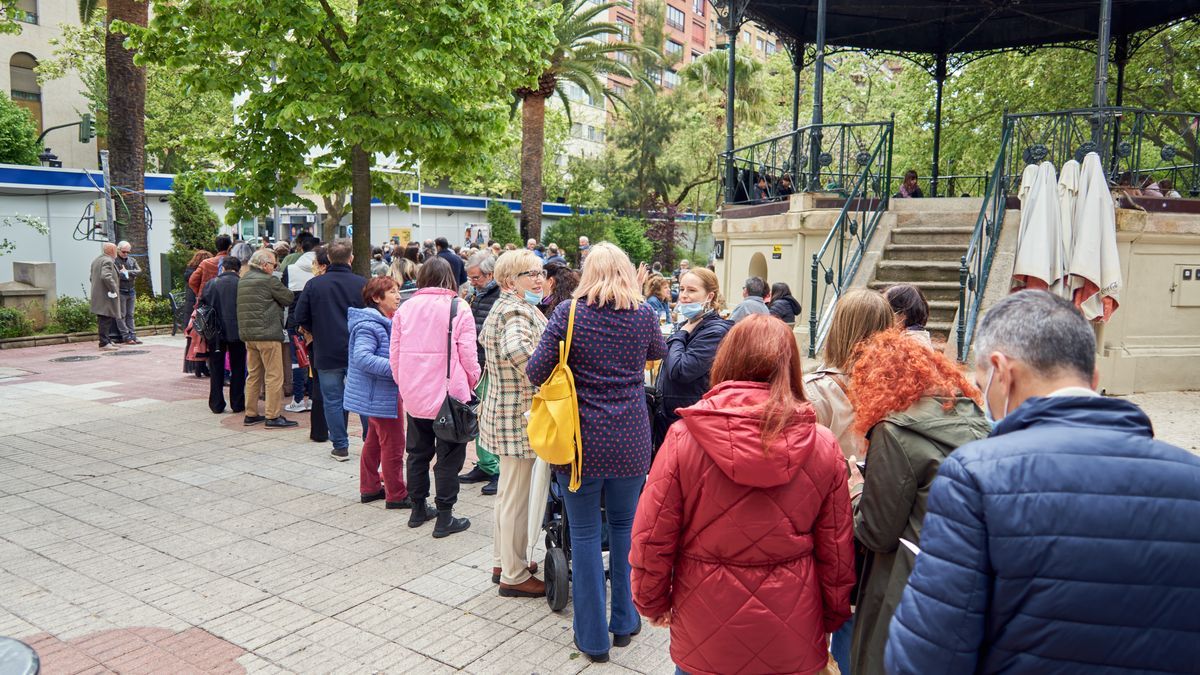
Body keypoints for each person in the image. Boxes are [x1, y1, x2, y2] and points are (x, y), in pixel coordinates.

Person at [887, 290, 1200, 674]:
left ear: (1001, 372)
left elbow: (928, 656)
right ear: (1094, 378)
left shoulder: (975, 477)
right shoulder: (1191, 478)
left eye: (983, 381)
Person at [632, 314, 854, 675]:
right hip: (791, 632)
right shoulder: (823, 446)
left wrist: (652, 601)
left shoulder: (684, 438)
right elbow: (837, 552)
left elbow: (652, 536)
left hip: (705, 632)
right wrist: (829, 616)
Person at [527, 243, 667, 663]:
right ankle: (624, 621)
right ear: (627, 273)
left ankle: (591, 638)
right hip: (630, 439)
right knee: (625, 531)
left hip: (580, 443)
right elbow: (658, 353)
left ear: (588, 272)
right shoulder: (643, 314)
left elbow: (535, 370)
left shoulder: (568, 314)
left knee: (584, 535)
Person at [847, 329, 990, 675]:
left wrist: (855, 490)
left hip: (902, 584)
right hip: (961, 579)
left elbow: (877, 532)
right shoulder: (975, 418)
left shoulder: (894, 432)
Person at [802, 287, 897, 674]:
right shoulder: (900, 390)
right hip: (871, 519)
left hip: (820, 520)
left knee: (811, 620)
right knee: (853, 622)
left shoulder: (815, 391)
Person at [390, 256, 480, 538]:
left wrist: (404, 383)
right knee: (449, 457)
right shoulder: (458, 307)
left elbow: (395, 355)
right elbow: (468, 353)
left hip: (415, 394)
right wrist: (473, 379)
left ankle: (418, 509)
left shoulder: (405, 308)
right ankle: (445, 516)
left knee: (416, 453)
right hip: (449, 396)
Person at [479, 250, 548, 598]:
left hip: (504, 413)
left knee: (508, 494)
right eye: (529, 274)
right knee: (517, 498)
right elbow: (517, 350)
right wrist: (546, 377)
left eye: (540, 272)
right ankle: (515, 574)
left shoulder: (505, 306)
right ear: (510, 282)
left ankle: (503, 560)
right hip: (518, 416)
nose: (539, 279)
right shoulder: (517, 309)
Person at [295, 239, 367, 461]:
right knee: (364, 398)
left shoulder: (315, 284)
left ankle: (340, 445)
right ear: (351, 258)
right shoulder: (362, 283)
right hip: (357, 350)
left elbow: (300, 317)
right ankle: (372, 443)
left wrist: (316, 330)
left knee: (332, 399)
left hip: (326, 350)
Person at [345, 277, 413, 510]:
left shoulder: (386, 321)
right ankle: (396, 494)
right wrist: (397, 367)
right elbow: (362, 358)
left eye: (398, 291)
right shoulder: (370, 325)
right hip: (380, 394)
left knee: (374, 441)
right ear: (376, 298)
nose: (398, 296)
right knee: (393, 444)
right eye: (392, 292)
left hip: (381, 393)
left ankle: (370, 488)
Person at [652, 268, 731, 450]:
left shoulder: (714, 331)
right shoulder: (690, 325)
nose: (684, 296)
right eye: (681, 289)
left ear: (709, 296)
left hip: (689, 420)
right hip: (671, 416)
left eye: (692, 290)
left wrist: (680, 334)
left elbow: (681, 370)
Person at [457, 253, 503, 495]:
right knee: (476, 417)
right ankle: (485, 464)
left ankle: (497, 469)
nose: (472, 281)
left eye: (476, 277)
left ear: (490, 274)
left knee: (488, 418)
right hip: (475, 363)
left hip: (487, 365)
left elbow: (491, 329)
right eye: (470, 277)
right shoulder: (476, 294)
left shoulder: (499, 296)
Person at [236, 249, 296, 428]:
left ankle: (251, 413)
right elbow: (288, 298)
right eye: (273, 264)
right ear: (264, 265)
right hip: (268, 334)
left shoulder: (244, 280)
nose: (275, 267)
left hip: (249, 335)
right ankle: (272, 415)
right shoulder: (269, 280)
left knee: (253, 375)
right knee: (274, 376)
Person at [201, 256, 246, 415]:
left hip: (215, 333)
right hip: (238, 331)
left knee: (216, 368)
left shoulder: (211, 284)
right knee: (238, 368)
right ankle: (237, 402)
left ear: (223, 268)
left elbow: (202, 306)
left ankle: (216, 403)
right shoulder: (242, 284)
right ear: (238, 269)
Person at [283, 235, 318, 414]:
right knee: (313, 359)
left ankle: (297, 400)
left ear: (301, 248)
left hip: (294, 320)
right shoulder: (320, 270)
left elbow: (284, 295)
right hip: (316, 322)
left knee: (297, 361)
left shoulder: (290, 269)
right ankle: (312, 398)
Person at [181, 251, 212, 374]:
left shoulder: (189, 272)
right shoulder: (201, 274)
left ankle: (194, 367)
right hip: (198, 308)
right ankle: (201, 367)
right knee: (202, 340)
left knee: (193, 340)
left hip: (190, 310)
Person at [89, 242, 123, 352]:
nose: (117, 253)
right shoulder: (108, 261)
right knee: (105, 318)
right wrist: (114, 288)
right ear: (112, 251)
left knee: (105, 318)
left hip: (99, 294)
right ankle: (104, 342)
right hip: (106, 295)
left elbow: (91, 277)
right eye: (116, 250)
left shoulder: (97, 260)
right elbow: (106, 276)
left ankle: (107, 340)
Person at [114, 241, 142, 345]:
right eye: (124, 251)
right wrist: (130, 274)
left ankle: (133, 336)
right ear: (118, 250)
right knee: (121, 315)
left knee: (130, 315)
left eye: (128, 252)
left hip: (131, 291)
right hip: (121, 291)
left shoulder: (132, 260)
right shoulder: (115, 261)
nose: (126, 254)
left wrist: (127, 272)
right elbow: (118, 275)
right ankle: (126, 337)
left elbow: (139, 271)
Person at [189, 234, 232, 301]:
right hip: (228, 300)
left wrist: (201, 293)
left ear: (216, 247)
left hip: (207, 300)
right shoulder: (234, 262)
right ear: (230, 247)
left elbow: (192, 281)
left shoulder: (206, 263)